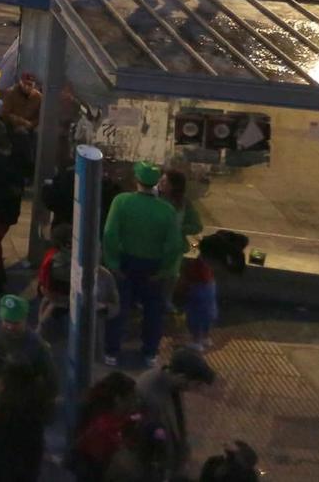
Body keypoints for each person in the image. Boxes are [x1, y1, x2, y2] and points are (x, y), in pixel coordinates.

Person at [102, 161, 181, 367]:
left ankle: (112, 351)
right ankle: (149, 353)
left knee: (120, 308)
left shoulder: (122, 201)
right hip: (153, 266)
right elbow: (174, 245)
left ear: (136, 180)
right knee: (153, 311)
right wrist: (164, 269)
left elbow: (110, 234)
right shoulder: (167, 210)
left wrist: (112, 262)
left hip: (126, 262)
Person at [133, 346, 215, 479]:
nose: (196, 389)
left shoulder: (171, 385)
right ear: (182, 377)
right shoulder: (149, 392)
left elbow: (177, 427)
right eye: (197, 384)